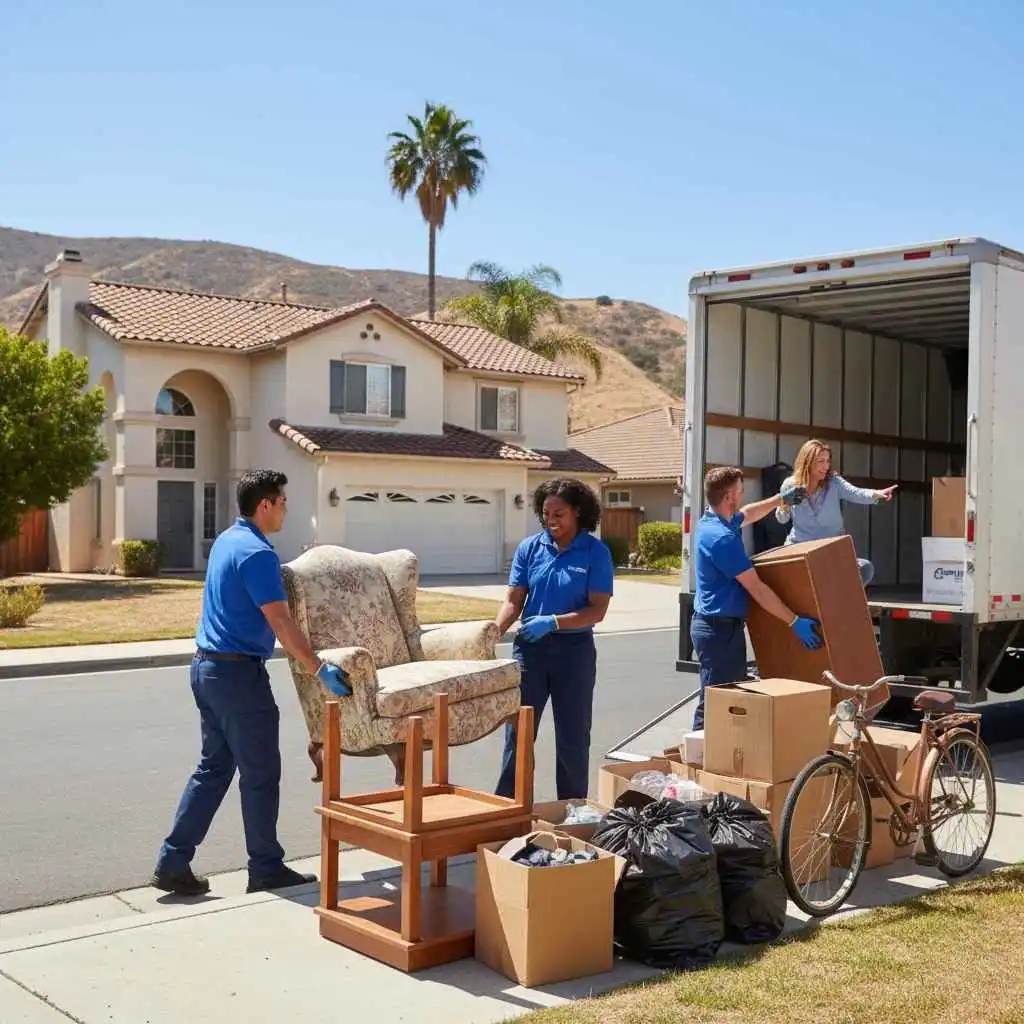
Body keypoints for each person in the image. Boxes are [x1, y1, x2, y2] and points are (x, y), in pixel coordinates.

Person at [152, 469, 351, 896]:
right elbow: (280, 620)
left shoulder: (227, 540)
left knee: (214, 768)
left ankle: (173, 858)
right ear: (265, 505)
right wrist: (319, 669)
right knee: (260, 773)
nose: (285, 509)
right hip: (239, 676)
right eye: (282, 502)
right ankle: (265, 867)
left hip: (206, 669)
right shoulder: (258, 554)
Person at [493, 478, 614, 800]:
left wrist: (555, 622)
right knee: (518, 733)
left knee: (573, 735)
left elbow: (597, 610)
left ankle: (571, 810)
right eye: (546, 512)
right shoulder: (530, 548)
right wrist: (495, 630)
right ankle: (509, 807)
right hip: (530, 652)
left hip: (574, 653)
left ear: (577, 511)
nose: (551, 519)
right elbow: (513, 601)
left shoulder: (595, 553)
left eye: (558, 513)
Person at [691, 466, 823, 731]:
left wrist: (780, 500)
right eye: (740, 491)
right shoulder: (722, 539)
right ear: (729, 497)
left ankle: (714, 758)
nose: (742, 495)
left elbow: (748, 513)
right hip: (719, 631)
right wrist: (793, 620)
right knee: (716, 703)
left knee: (727, 698)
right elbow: (757, 589)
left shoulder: (715, 520)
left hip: (722, 628)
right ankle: (699, 763)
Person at [775, 439, 897, 586]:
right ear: (807, 461)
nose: (826, 466)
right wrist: (785, 504)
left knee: (865, 568)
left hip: (829, 551)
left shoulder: (834, 482)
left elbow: (856, 493)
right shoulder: (790, 484)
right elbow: (782, 519)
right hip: (799, 549)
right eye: (821, 461)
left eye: (828, 461)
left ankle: (836, 600)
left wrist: (877, 494)